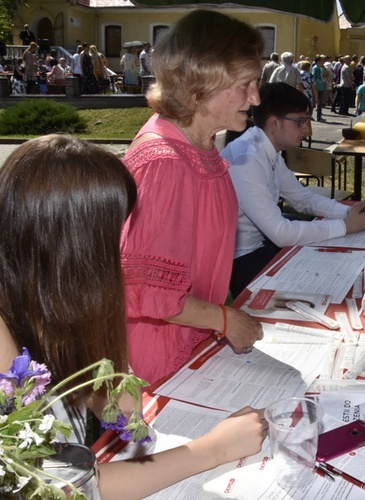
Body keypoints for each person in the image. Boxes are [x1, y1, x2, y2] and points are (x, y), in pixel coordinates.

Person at [0, 134, 268, 499]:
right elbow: (62, 489)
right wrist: (213, 449)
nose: (120, 251)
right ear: (71, 244)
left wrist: (106, 388)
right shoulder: (4, 339)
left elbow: (118, 408)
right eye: (113, 236)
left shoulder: (49, 301)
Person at [120, 10, 265, 384]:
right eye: (246, 84)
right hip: (158, 360)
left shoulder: (200, 145)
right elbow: (148, 291)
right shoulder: (165, 163)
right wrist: (227, 319)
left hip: (191, 344)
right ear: (203, 82)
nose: (256, 97)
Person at [221, 82, 365, 297]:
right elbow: (281, 234)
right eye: (300, 121)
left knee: (333, 270)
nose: (307, 129)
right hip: (241, 259)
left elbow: (302, 198)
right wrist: (345, 226)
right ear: (274, 123)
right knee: (323, 288)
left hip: (260, 245)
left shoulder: (268, 148)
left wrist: (346, 212)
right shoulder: (246, 158)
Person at [312, 55, 328, 121]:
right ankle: (312, 115)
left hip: (321, 86)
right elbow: (314, 77)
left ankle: (319, 116)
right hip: (317, 87)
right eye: (321, 60)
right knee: (315, 101)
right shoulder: (315, 68)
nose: (323, 62)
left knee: (320, 102)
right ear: (318, 61)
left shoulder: (320, 68)